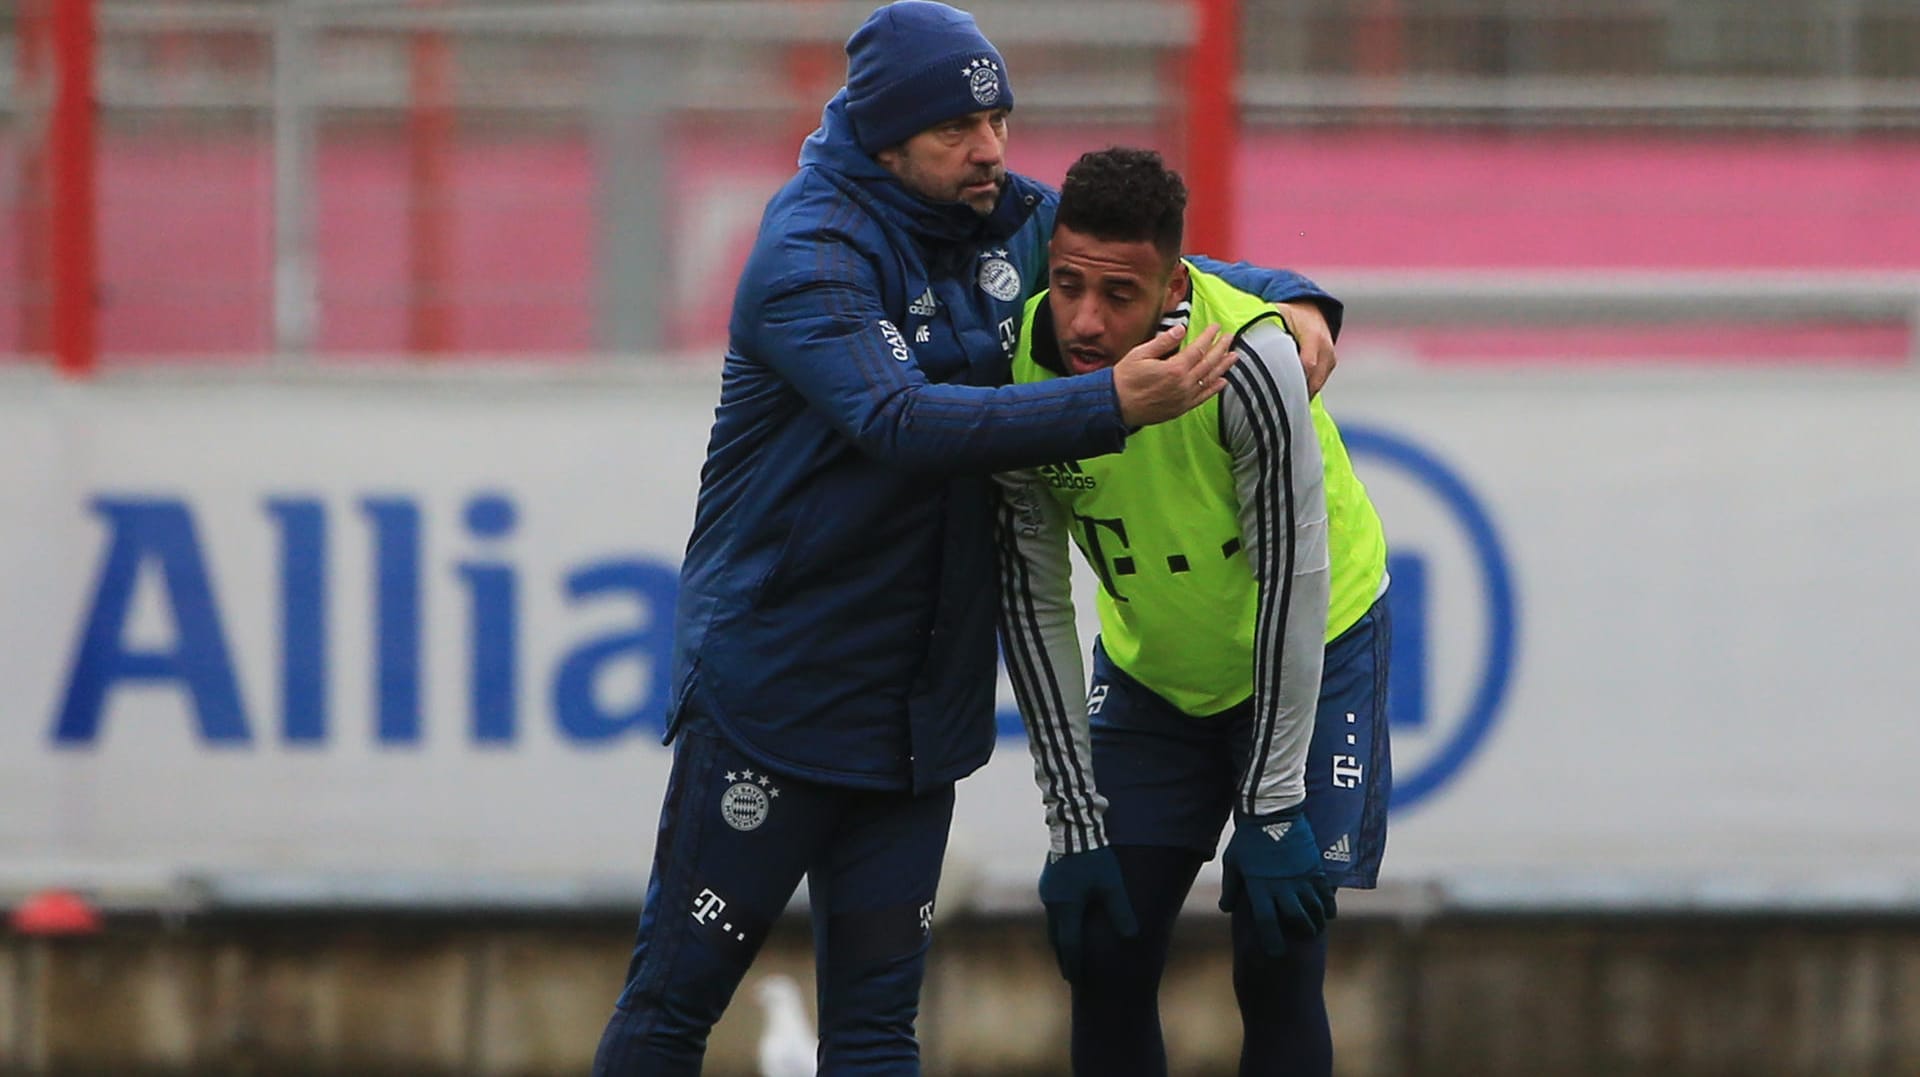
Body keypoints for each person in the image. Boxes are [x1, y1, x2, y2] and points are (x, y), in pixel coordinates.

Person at [591, 4, 1348, 1073]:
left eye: (998, 117)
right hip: (780, 700)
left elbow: (1153, 262)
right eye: (957, 127)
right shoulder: (810, 254)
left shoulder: (997, 217)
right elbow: (901, 423)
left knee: (873, 1033)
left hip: (915, 724)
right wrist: (1112, 408)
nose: (990, 146)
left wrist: (1297, 304)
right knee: (674, 1009)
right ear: (886, 133)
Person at [996, 147, 1392, 1077]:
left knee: (1276, 949)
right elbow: (1033, 596)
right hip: (1154, 676)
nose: (1087, 321)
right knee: (1105, 948)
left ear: (1177, 285)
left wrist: (1270, 802)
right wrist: (1072, 819)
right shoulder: (1013, 370)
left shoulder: (1251, 361)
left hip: (1314, 646)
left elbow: (1290, 584)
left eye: (1120, 294)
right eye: (1068, 285)